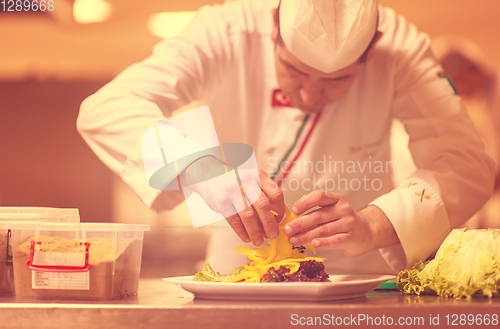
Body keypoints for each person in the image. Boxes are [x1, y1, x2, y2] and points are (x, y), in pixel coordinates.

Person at [77, 0, 494, 275]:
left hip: (358, 281)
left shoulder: (401, 48)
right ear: (272, 30)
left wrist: (373, 224)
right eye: (294, 70)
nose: (311, 94)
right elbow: (105, 108)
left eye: (337, 80)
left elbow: (465, 162)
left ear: (373, 50)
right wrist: (200, 166)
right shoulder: (226, 29)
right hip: (239, 274)